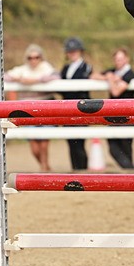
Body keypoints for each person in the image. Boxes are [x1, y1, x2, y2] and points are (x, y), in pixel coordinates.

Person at [5, 44, 58, 172]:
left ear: (41, 58)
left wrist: (34, 80)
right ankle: (44, 165)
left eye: (36, 57)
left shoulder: (46, 68)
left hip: (45, 107)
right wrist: (17, 79)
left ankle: (44, 166)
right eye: (30, 57)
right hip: (27, 110)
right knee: (33, 145)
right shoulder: (22, 69)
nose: (33, 60)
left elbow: (55, 76)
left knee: (44, 142)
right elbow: (6, 76)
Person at [58, 37, 94, 171]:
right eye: (70, 51)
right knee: (70, 141)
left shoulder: (86, 66)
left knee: (79, 141)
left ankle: (82, 169)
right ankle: (75, 168)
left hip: (81, 109)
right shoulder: (66, 68)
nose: (72, 53)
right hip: (67, 110)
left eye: (75, 50)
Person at [102, 47, 134, 170]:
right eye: (116, 59)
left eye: (121, 59)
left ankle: (131, 172)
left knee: (125, 146)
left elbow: (116, 92)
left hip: (127, 116)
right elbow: (94, 75)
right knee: (114, 147)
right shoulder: (114, 72)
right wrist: (109, 76)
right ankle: (131, 171)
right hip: (114, 116)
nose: (118, 62)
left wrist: (110, 79)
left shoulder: (129, 74)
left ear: (126, 59)